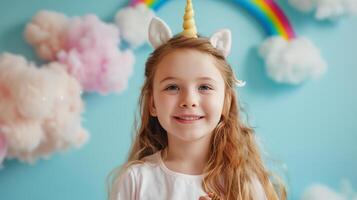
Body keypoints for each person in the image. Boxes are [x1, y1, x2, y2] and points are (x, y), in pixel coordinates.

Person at [109, 0, 286, 199]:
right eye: (172, 87)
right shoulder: (135, 181)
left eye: (204, 87)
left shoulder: (246, 183)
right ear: (152, 103)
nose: (189, 100)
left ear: (226, 102)